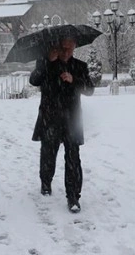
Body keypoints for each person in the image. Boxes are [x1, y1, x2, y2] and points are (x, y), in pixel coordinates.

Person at [29, 37, 95, 213]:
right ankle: (46, 182)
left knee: (73, 157)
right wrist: (46, 63)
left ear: (74, 48)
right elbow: (34, 81)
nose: (66, 52)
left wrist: (73, 79)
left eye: (69, 49)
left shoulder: (79, 66)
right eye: (63, 48)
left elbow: (90, 89)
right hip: (50, 118)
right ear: (57, 47)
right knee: (48, 155)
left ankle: (73, 196)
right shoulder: (46, 62)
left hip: (72, 119)